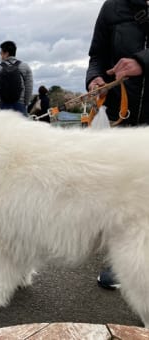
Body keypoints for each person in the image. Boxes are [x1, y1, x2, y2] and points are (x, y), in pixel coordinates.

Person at [86, 0, 149, 289]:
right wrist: (94, 77)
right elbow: (97, 55)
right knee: (121, 191)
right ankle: (123, 259)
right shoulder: (112, 7)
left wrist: (143, 61)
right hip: (121, 116)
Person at [0, 40, 33, 115]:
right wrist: (25, 103)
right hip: (20, 104)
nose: (0, 56)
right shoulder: (25, 67)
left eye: (1, 53)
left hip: (2, 105)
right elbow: (29, 87)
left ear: (6, 53)